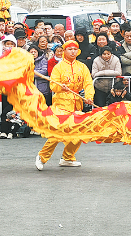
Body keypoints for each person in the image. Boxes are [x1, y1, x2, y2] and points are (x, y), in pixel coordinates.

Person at [35, 40, 94, 171]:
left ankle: (67, 157)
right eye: (70, 49)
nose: (72, 52)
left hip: (76, 104)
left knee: (79, 130)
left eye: (75, 49)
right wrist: (61, 87)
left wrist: (89, 97)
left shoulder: (82, 67)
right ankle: (42, 156)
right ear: (64, 51)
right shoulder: (59, 67)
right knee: (58, 132)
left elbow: (88, 83)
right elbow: (53, 85)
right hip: (61, 104)